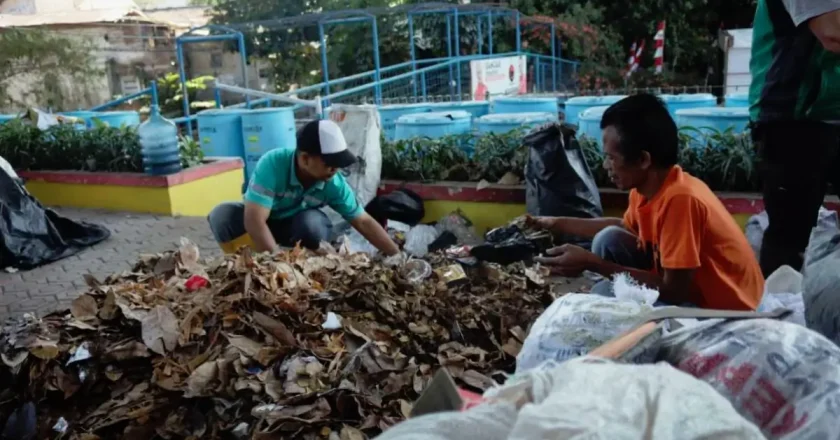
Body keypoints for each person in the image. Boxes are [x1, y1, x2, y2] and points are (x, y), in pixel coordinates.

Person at [530, 94, 764, 310]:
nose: (605, 166)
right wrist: (556, 223)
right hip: (683, 286)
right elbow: (624, 227)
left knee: (602, 296)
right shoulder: (647, 187)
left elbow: (673, 290)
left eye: (611, 157)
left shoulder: (681, 200)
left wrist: (593, 264)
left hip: (726, 307)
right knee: (608, 239)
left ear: (643, 159)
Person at [208, 119, 400, 256]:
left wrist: (396, 254)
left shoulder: (334, 182)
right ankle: (243, 261)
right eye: (329, 162)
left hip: (296, 229)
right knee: (222, 215)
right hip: (265, 224)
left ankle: (306, 265)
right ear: (305, 158)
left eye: (338, 162)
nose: (335, 169)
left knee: (312, 225)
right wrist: (278, 262)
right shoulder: (272, 164)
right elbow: (254, 221)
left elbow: (363, 221)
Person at [749, 0, 840, 276]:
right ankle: (778, 312)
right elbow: (833, 32)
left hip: (832, 110)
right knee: (790, 241)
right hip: (793, 116)